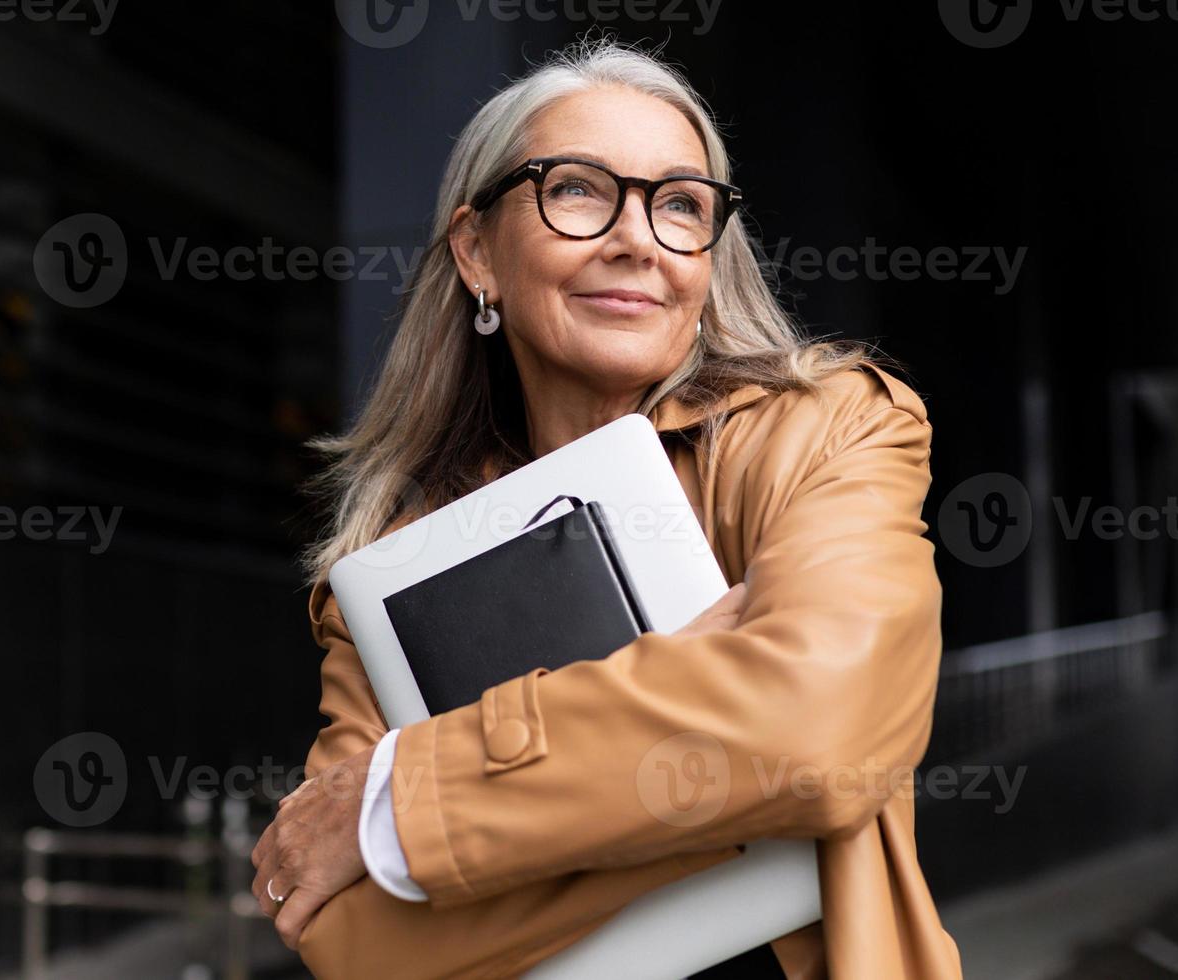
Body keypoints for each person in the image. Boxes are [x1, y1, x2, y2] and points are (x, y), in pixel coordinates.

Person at [253, 38, 963, 979]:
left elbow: (820, 737)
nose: (638, 239)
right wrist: (723, 761)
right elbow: (355, 944)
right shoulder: (389, 572)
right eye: (579, 189)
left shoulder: (829, 430)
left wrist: (401, 807)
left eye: (680, 205)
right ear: (476, 251)